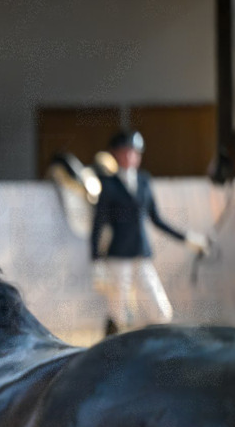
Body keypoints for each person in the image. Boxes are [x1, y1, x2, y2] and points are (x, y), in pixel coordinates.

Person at [90, 129, 210, 335]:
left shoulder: (144, 181)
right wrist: (96, 260)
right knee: (119, 312)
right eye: (125, 151)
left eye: (134, 152)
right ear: (115, 154)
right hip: (118, 255)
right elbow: (98, 225)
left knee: (160, 309)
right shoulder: (108, 185)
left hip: (141, 253)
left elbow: (156, 218)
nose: (130, 156)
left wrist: (187, 239)